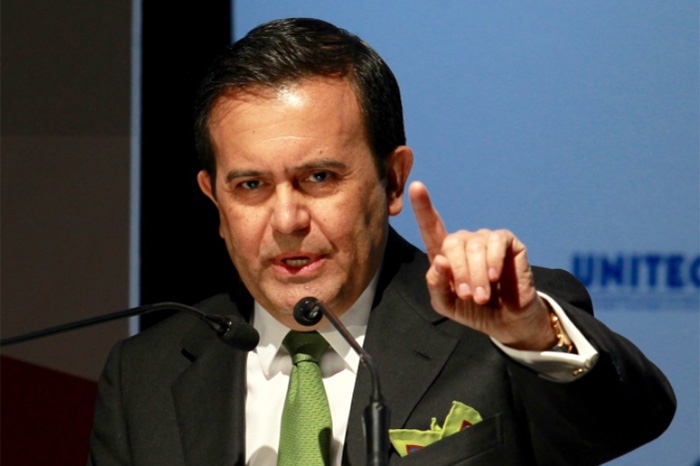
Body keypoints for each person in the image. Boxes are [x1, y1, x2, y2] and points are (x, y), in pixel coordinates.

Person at [88, 18, 675, 466]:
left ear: (392, 180)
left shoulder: (499, 333)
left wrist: (530, 333)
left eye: (320, 177)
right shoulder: (144, 376)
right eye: (250, 186)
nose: (286, 219)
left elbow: (630, 422)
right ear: (215, 200)